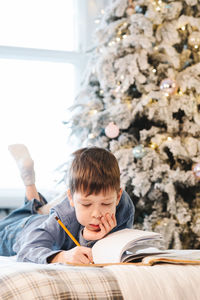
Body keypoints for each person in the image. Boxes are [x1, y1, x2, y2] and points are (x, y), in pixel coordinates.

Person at [0, 144, 135, 264]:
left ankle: (40, 203)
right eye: (86, 204)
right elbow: (27, 250)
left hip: (52, 221)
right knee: (16, 226)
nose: (96, 214)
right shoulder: (64, 216)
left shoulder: (124, 208)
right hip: (25, 228)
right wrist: (62, 257)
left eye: (106, 204)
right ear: (70, 198)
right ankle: (29, 183)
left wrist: (87, 238)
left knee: (40, 214)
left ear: (117, 197)